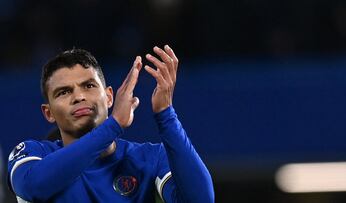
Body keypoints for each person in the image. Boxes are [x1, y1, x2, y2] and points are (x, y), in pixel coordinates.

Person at [7, 45, 214, 202]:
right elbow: (34, 186)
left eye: (88, 85)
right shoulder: (32, 153)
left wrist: (166, 114)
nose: (79, 97)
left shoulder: (149, 159)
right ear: (48, 113)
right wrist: (113, 125)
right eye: (64, 92)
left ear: (109, 97)